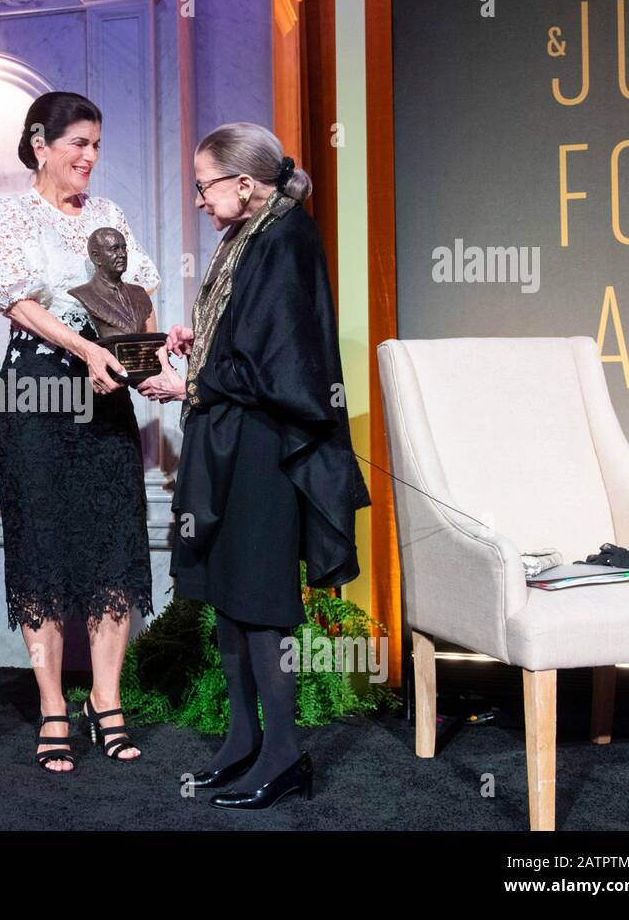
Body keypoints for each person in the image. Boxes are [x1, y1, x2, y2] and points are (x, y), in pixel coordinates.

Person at [137, 122, 370, 810]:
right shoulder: (244, 237)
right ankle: (243, 741)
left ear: (243, 182)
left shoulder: (286, 235)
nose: (201, 201)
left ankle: (285, 753)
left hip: (265, 447)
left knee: (262, 600)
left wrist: (191, 384)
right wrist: (194, 340)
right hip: (228, 435)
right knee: (228, 593)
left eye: (205, 186)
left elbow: (277, 360)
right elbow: (239, 335)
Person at [0, 92, 162, 772]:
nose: (89, 156)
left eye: (96, 144)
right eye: (77, 144)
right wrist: (83, 348)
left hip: (103, 394)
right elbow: (16, 300)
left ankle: (107, 700)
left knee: (114, 543)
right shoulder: (11, 216)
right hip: (36, 391)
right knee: (44, 545)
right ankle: (54, 704)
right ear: (40, 144)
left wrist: (132, 351)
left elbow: (138, 291)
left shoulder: (109, 217)